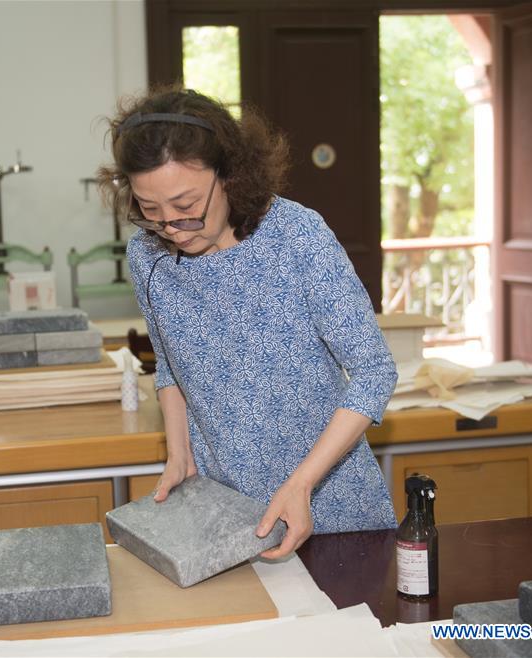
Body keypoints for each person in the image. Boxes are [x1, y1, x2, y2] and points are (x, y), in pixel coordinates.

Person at [98, 87, 398, 558]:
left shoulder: (296, 236)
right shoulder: (148, 255)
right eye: (150, 211)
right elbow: (171, 363)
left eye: (186, 206)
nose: (172, 228)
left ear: (231, 175)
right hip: (226, 514)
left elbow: (375, 372)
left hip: (331, 511)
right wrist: (179, 452)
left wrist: (302, 483)